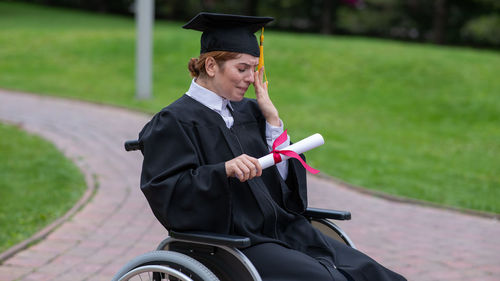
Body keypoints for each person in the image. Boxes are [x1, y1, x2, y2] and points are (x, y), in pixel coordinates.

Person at [138, 12, 406, 281]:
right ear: (210, 66)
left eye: (254, 69)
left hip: (285, 229)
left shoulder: (252, 113)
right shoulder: (175, 120)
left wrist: (273, 122)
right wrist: (223, 170)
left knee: (377, 275)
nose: (250, 78)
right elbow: (167, 193)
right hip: (235, 242)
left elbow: (283, 193)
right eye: (242, 68)